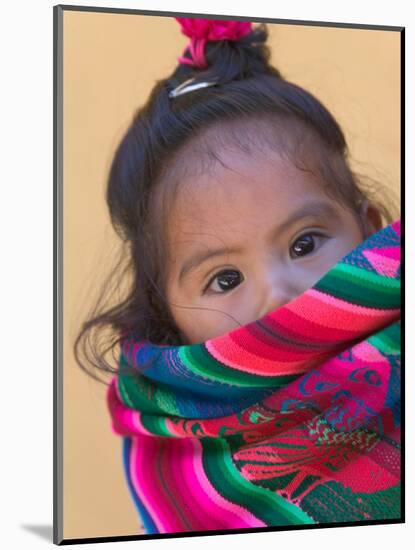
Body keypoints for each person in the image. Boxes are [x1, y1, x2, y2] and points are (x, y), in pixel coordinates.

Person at [74, 17, 401, 534]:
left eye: (304, 244)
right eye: (225, 280)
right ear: (169, 316)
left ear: (371, 230)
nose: (279, 294)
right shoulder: (179, 453)